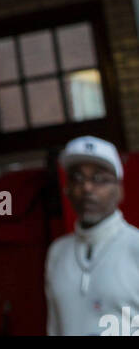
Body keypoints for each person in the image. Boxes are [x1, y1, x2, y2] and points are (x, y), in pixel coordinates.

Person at [45, 135, 139, 335]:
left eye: (99, 179)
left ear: (119, 190)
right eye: (77, 178)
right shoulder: (57, 252)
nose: (87, 188)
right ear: (67, 189)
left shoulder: (135, 245)